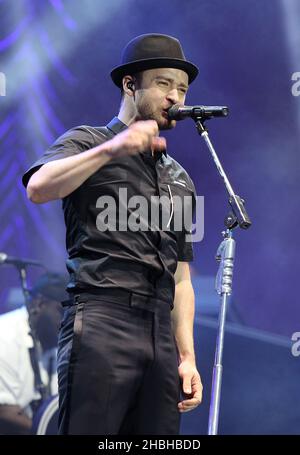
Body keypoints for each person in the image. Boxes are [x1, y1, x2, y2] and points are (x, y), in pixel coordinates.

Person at [22, 33, 203, 435]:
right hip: (102, 318)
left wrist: (187, 356)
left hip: (159, 329)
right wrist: (114, 148)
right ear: (129, 84)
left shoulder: (180, 178)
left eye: (182, 88)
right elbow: (38, 188)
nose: (175, 97)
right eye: (163, 83)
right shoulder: (89, 141)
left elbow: (182, 277)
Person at [0, 272, 67, 434]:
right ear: (39, 304)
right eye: (60, 311)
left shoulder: (54, 337)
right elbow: (4, 411)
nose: (65, 321)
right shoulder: (4, 335)